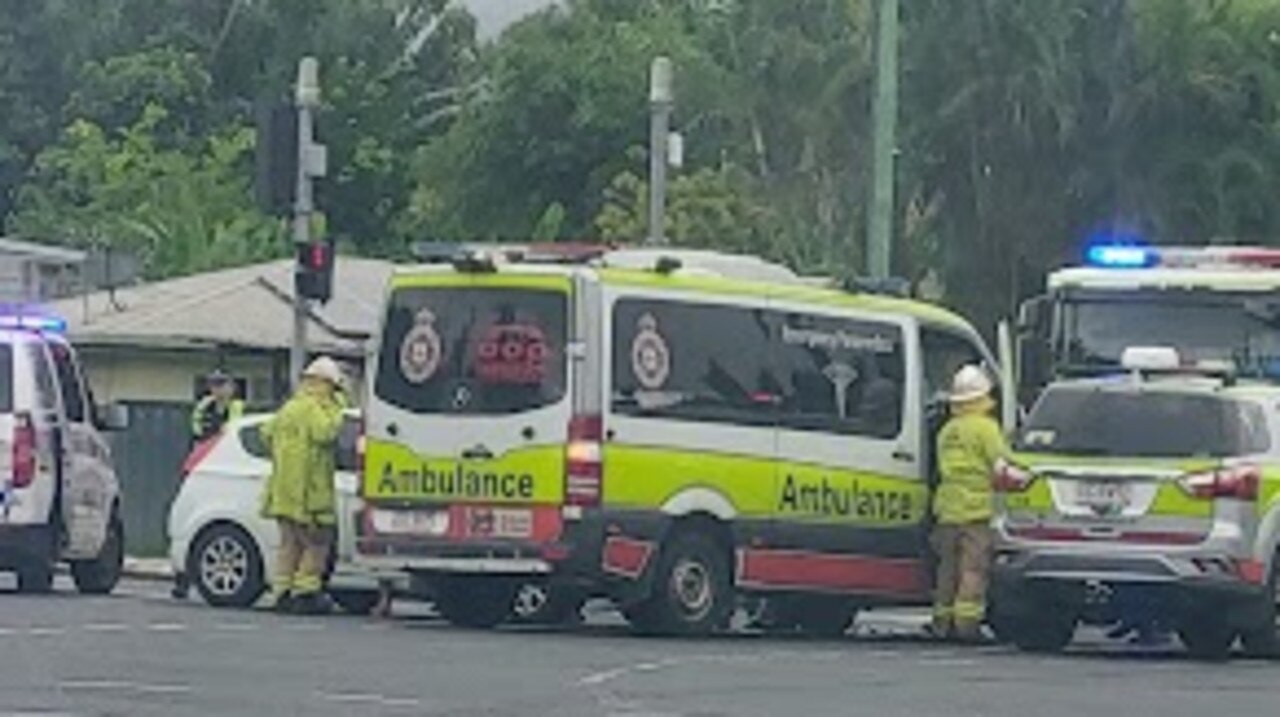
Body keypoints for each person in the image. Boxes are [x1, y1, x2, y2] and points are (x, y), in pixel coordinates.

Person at [260, 357, 347, 615]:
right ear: (328, 384)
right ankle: (305, 592)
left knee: (288, 546)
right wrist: (338, 409)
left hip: (283, 493)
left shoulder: (290, 408)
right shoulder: (317, 409)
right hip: (310, 493)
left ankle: (282, 591)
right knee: (316, 545)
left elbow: (266, 432)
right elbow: (326, 433)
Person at [930, 365, 1008, 642]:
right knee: (973, 569)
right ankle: (967, 625)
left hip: (947, 508)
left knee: (947, 570)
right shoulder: (986, 428)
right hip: (976, 510)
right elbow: (1001, 465)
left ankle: (941, 622)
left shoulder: (946, 431)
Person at [191, 370, 245, 442]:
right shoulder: (204, 405)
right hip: (207, 445)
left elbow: (236, 429)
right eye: (213, 384)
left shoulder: (239, 406)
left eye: (220, 384)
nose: (216, 388)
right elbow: (197, 428)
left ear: (231, 387)